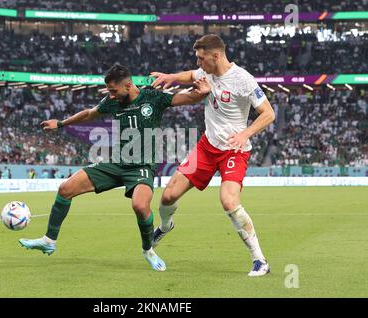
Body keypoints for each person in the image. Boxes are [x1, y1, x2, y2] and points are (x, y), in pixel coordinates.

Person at [19, 64, 212, 272]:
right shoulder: (112, 101)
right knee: (65, 189)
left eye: (113, 90)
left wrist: (202, 92)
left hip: (142, 166)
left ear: (128, 85)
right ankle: (49, 240)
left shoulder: (153, 98)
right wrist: (61, 123)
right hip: (116, 163)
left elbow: (187, 98)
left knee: (140, 206)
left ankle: (148, 250)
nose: (110, 95)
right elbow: (89, 114)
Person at [150, 34, 276, 276]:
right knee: (168, 196)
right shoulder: (206, 72)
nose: (199, 64)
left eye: (201, 58)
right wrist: (172, 77)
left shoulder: (243, 80)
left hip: (234, 150)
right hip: (206, 148)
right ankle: (166, 226)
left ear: (215, 56)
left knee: (229, 201)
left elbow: (268, 113)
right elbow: (191, 75)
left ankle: (260, 260)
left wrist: (245, 134)